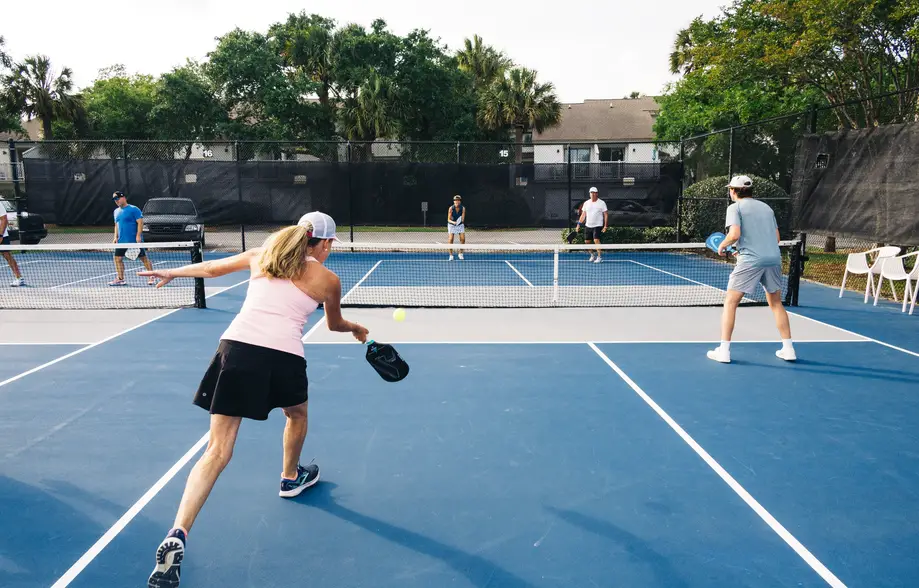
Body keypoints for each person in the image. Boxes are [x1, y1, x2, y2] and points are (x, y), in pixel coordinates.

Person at [139, 211, 369, 588]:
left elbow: (212, 269)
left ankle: (178, 533)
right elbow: (333, 324)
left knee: (216, 451)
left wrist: (172, 273)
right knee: (296, 415)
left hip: (236, 350)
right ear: (324, 243)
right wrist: (357, 328)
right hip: (284, 357)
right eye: (330, 245)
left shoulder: (263, 254)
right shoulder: (328, 279)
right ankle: (290, 478)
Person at [708, 175, 796, 364]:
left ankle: (723, 351)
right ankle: (789, 349)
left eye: (730, 189)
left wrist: (723, 246)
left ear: (733, 190)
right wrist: (741, 250)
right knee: (776, 303)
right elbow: (777, 239)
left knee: (730, 302)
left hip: (751, 260)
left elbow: (734, 234)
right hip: (773, 258)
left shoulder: (734, 208)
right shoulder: (767, 208)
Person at [110, 190, 155, 286]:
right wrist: (115, 237)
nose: (116, 201)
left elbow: (140, 222)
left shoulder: (134, 209)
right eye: (115, 200)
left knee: (143, 258)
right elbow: (116, 225)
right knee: (117, 258)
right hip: (122, 241)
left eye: (117, 199)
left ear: (123, 198)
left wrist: (138, 235)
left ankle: (152, 276)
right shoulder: (116, 212)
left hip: (134, 241)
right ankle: (120, 279)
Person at [575, 187, 607, 262]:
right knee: (587, 242)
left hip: (598, 225)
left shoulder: (601, 203)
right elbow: (583, 215)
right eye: (591, 193)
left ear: (597, 194)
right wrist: (578, 224)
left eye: (594, 192)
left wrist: (605, 226)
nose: (592, 194)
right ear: (589, 194)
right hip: (588, 225)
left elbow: (605, 214)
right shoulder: (586, 203)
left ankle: (599, 257)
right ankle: (592, 255)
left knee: (596, 240)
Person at [0, 207, 24, 287]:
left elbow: (4, 219)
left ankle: (19, 278)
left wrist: (0, 235)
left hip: (2, 235)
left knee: (7, 256)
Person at [447, 195, 466, 260]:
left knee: (463, 239)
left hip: (460, 225)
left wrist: (460, 221)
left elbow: (463, 219)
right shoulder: (451, 208)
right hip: (452, 225)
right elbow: (448, 219)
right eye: (455, 200)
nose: (457, 201)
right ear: (454, 201)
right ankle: (451, 255)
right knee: (451, 239)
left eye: (458, 200)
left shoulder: (463, 208)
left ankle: (460, 253)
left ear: (460, 201)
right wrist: (454, 222)